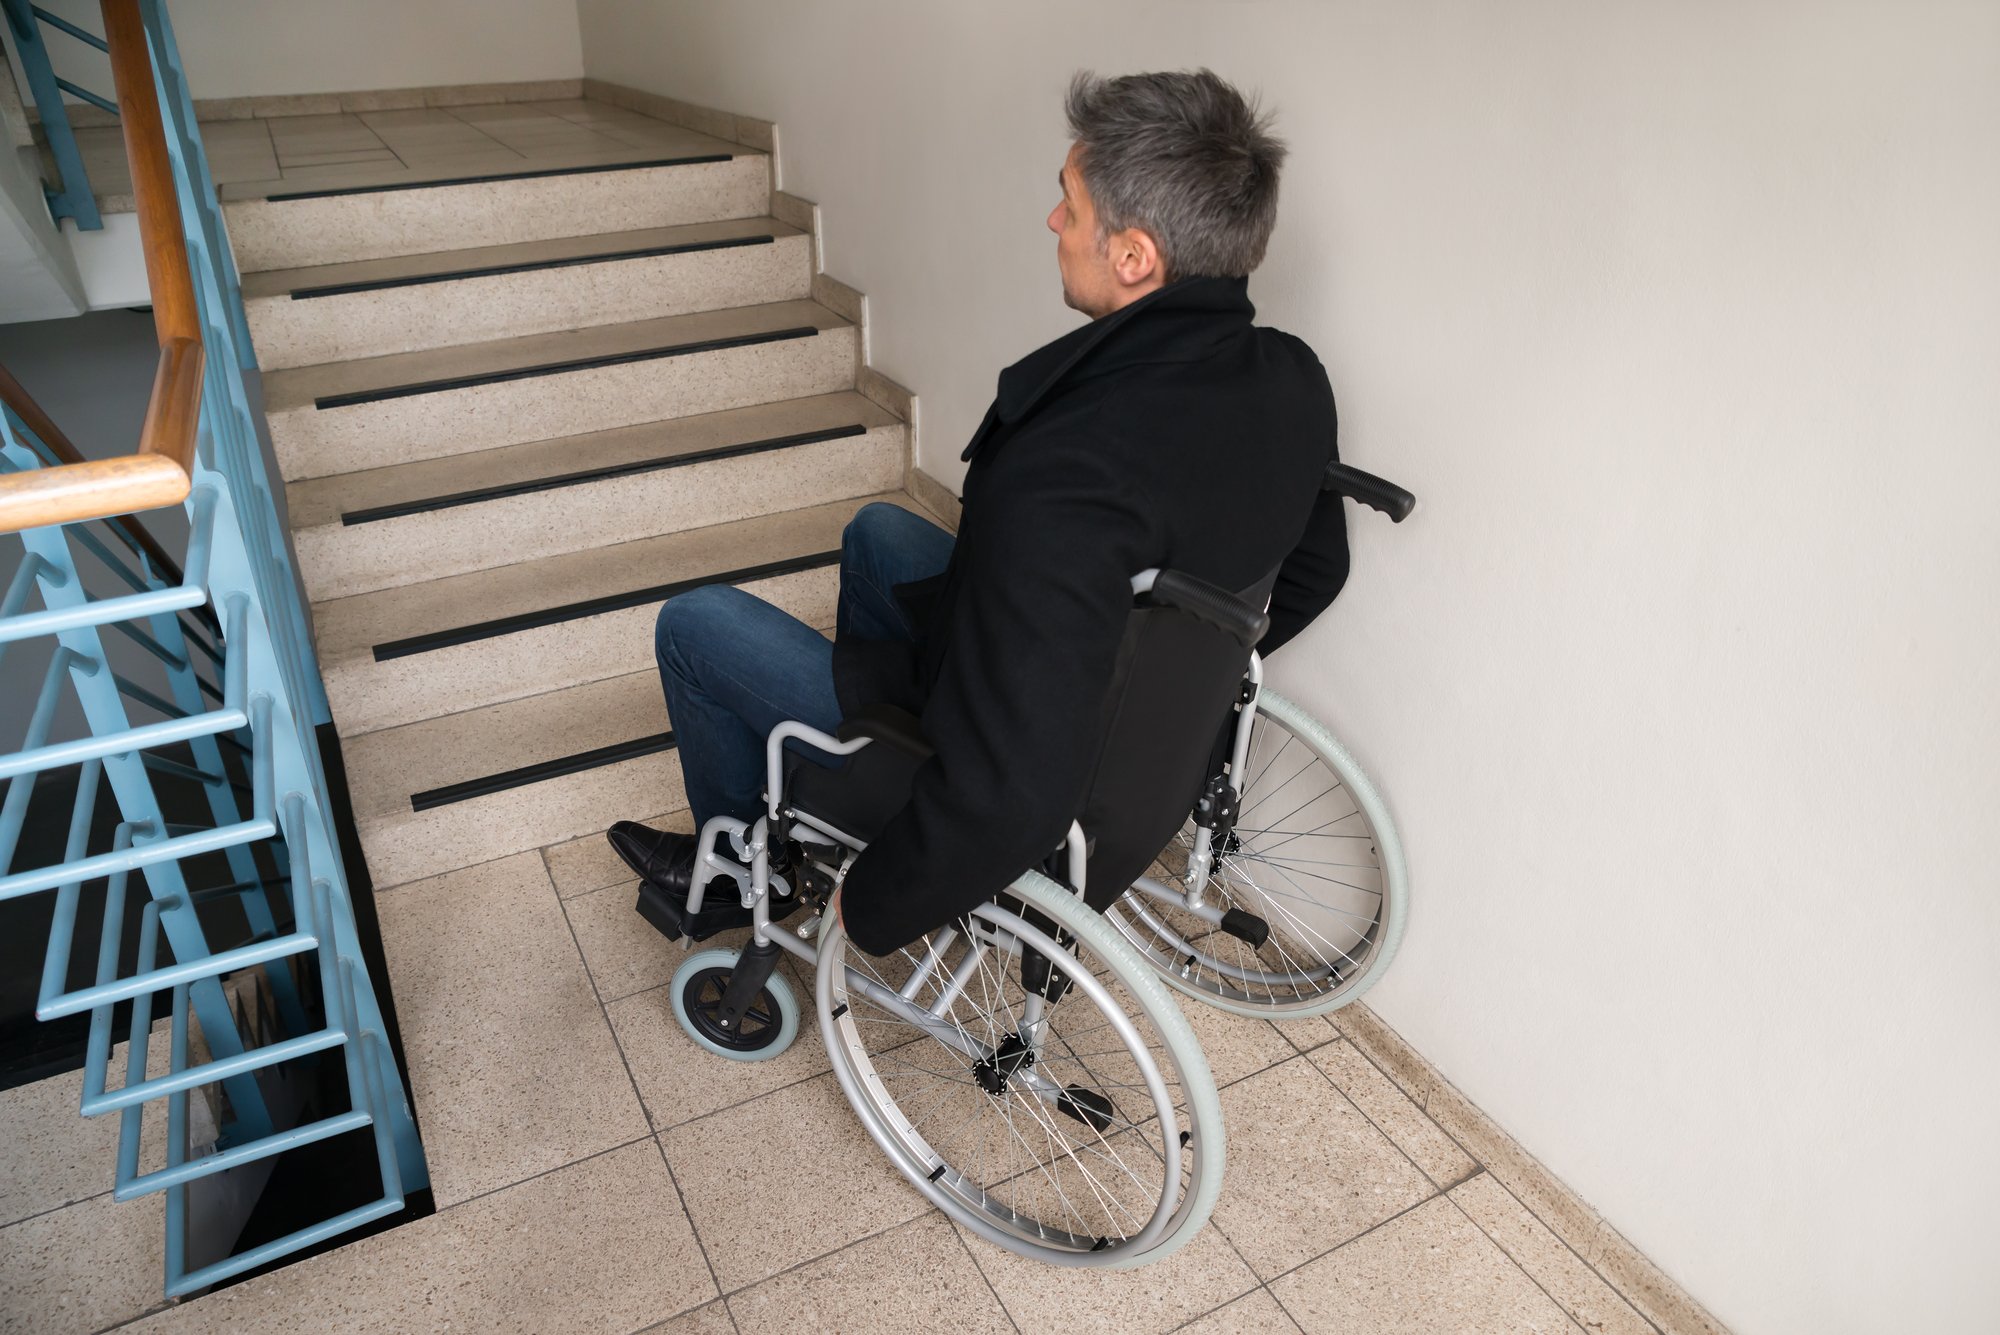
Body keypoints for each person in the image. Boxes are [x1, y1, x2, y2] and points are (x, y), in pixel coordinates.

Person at [609, 68, 1350, 955]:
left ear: (1134, 256)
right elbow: (1318, 568)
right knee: (878, 531)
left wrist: (880, 903)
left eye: (1068, 204)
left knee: (691, 626)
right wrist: (1174, 683)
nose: (1052, 222)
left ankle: (743, 876)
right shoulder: (1291, 377)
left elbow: (1015, 789)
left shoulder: (1066, 470)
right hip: (1080, 711)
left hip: (1001, 767)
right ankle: (822, 810)